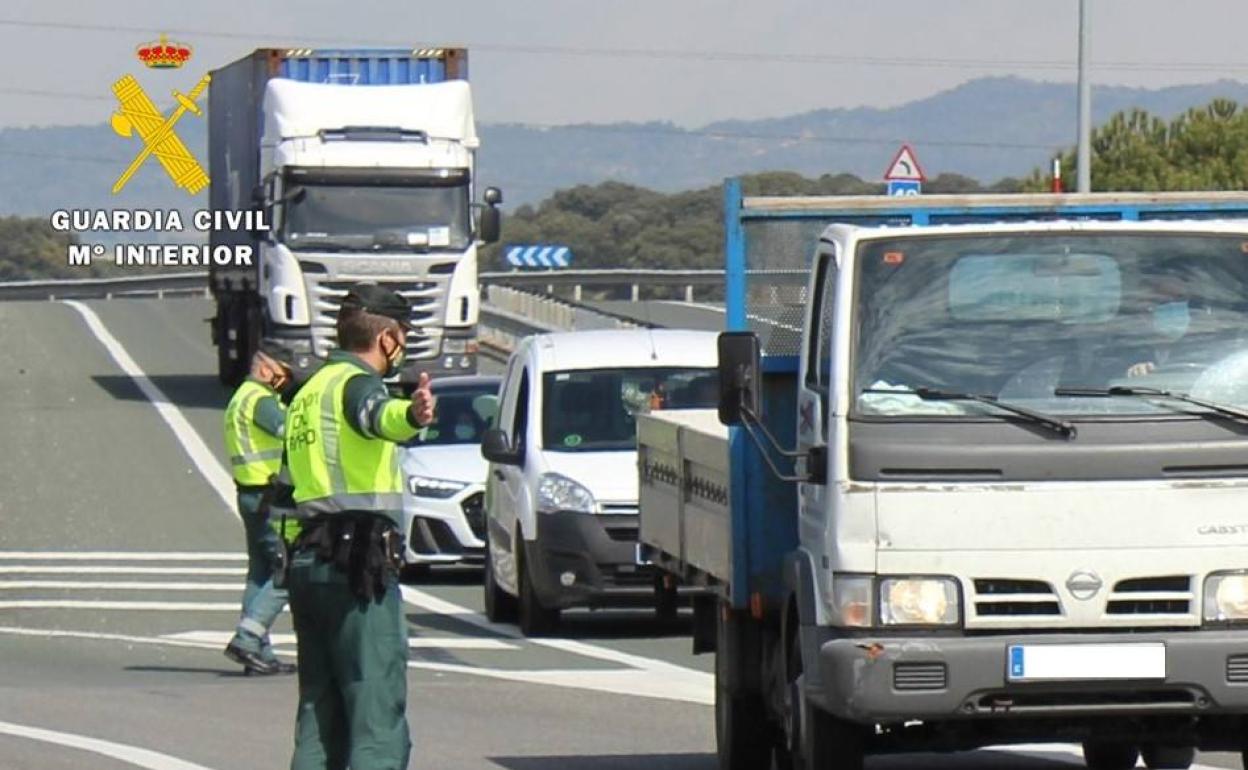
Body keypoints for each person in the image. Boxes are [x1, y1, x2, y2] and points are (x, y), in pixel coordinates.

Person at [282, 283, 435, 770]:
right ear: (387, 337)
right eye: (404, 334)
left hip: (308, 562)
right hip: (358, 564)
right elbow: (377, 416)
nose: (405, 344)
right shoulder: (357, 383)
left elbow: (284, 488)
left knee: (319, 713)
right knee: (375, 707)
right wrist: (411, 414)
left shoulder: (307, 394)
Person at [222, 346, 298, 676]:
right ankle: (248, 640)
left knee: (261, 572)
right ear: (266, 368)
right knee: (287, 571)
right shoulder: (260, 400)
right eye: (283, 370)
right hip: (268, 495)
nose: (286, 378)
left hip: (250, 493)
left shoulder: (241, 397)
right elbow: (291, 433)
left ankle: (258, 651)